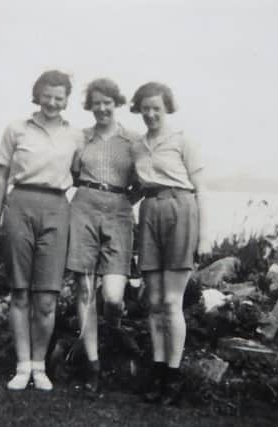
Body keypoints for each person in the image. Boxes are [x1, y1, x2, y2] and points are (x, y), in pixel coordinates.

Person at [0, 70, 83, 391]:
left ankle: (40, 367)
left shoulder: (76, 136)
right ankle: (22, 366)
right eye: (48, 96)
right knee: (19, 291)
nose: (53, 103)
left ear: (67, 100)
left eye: (60, 98)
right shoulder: (17, 129)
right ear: (37, 95)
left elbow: (82, 174)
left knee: (46, 298)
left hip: (58, 208)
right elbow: (1, 176)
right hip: (20, 204)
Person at [129, 82, 211, 405]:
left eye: (157, 108)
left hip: (180, 211)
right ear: (139, 109)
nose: (151, 114)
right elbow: (136, 188)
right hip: (149, 212)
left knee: (172, 301)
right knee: (154, 301)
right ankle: (158, 371)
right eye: (145, 108)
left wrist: (204, 235)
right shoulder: (137, 146)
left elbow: (201, 188)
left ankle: (173, 377)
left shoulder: (182, 140)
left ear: (167, 109)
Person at [67, 78, 141, 394]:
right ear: (90, 106)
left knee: (112, 296)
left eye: (107, 102)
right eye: (95, 102)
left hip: (120, 211)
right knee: (84, 289)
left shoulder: (132, 141)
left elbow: (142, 182)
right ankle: (93, 367)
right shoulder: (81, 138)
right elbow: (70, 173)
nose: (101, 108)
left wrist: (121, 201)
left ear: (116, 103)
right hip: (83, 207)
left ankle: (114, 328)